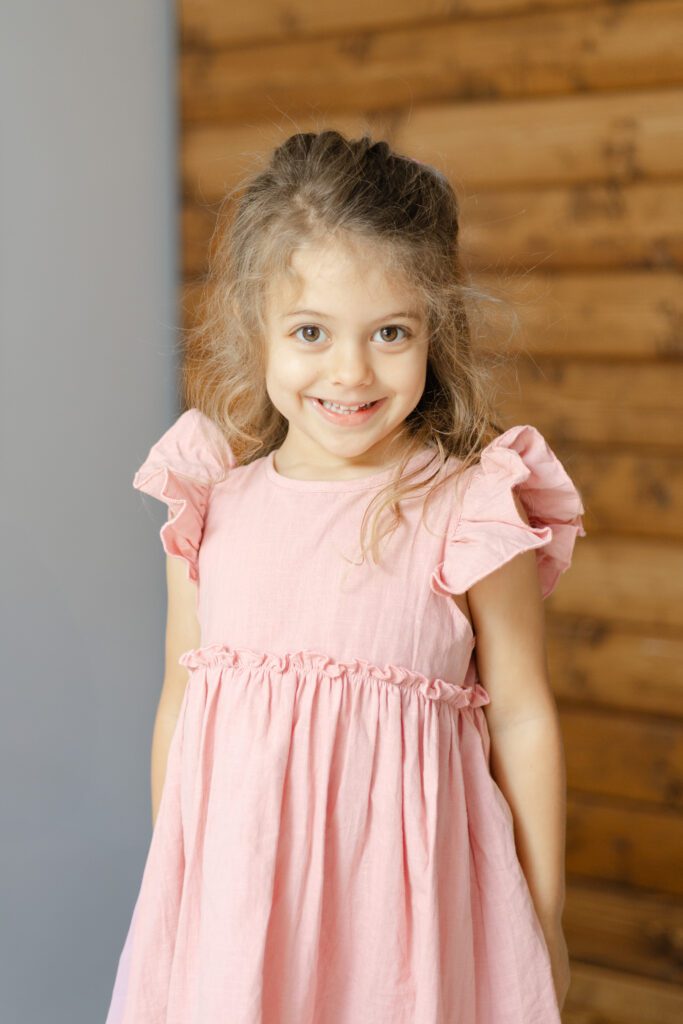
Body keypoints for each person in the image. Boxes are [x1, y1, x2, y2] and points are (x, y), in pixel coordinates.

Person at [105, 129, 586, 1023]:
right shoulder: (213, 506)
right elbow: (183, 701)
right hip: (240, 916)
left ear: (434, 328)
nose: (350, 372)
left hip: (407, 932)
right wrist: (177, 880)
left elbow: (521, 713)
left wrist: (544, 915)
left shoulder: (470, 509)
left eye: (390, 332)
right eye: (311, 332)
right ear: (259, 328)